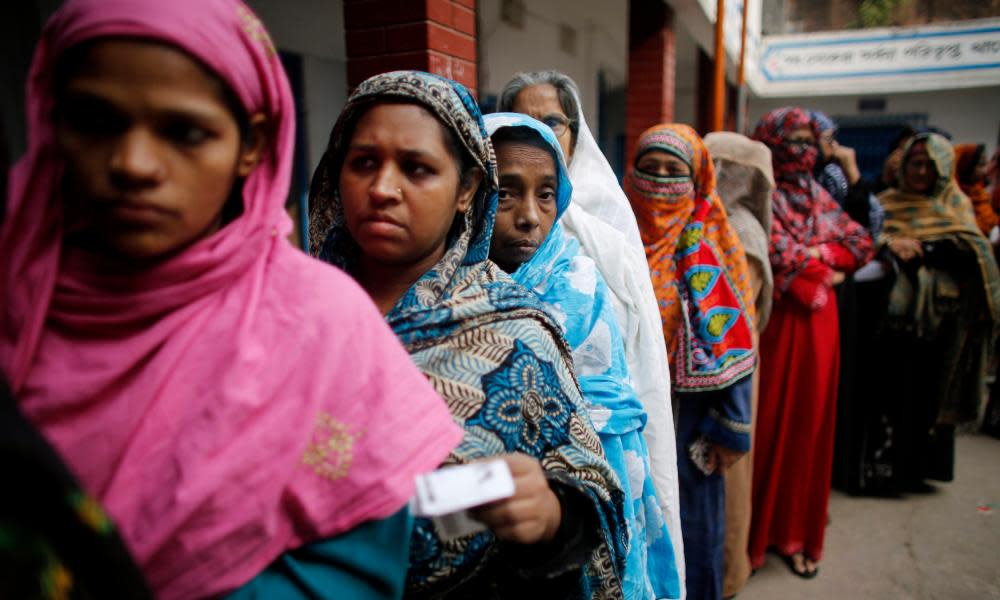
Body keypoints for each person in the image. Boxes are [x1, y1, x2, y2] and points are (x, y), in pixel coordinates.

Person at [0, 2, 465, 598]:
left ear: (252, 145)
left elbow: (358, 569)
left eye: (185, 132)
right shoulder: (13, 295)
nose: (133, 165)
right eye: (94, 122)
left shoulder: (320, 322)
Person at [308, 71, 628, 599]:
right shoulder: (286, 317)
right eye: (363, 162)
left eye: (416, 168)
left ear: (467, 189)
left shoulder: (517, 331)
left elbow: (593, 494)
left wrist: (551, 517)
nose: (383, 188)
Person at [498, 72, 685, 589]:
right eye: (506, 192)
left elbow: (633, 358)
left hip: (601, 468)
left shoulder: (599, 242)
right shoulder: (459, 274)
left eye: (551, 120)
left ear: (575, 133)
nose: (529, 216)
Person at [626, 124, 756, 600]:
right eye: (650, 169)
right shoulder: (614, 238)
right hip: (628, 420)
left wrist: (730, 427)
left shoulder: (710, 249)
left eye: (673, 172)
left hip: (690, 427)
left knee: (694, 537)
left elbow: (737, 347)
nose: (660, 182)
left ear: (697, 180)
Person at [748, 107, 873, 579]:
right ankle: (754, 536)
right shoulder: (760, 192)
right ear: (771, 141)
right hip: (777, 326)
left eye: (808, 140)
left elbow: (861, 242)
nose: (800, 149)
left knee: (809, 430)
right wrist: (825, 265)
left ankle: (797, 535)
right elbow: (772, 252)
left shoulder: (819, 195)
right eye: (791, 139)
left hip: (820, 325)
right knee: (768, 428)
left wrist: (816, 257)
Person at [877, 133, 1000, 488]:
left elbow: (973, 255)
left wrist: (927, 251)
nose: (919, 173)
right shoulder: (886, 204)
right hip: (896, 320)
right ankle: (889, 470)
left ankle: (922, 470)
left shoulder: (955, 206)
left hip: (940, 319)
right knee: (894, 395)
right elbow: (865, 240)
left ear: (943, 170)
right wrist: (889, 246)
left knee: (931, 394)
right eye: (914, 164)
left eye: (928, 166)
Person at [702, 132, 774, 599]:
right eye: (716, 167)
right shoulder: (706, 219)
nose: (723, 180)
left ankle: (728, 576)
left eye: (733, 171)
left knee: (727, 475)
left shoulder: (742, 230)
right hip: (703, 364)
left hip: (729, 367)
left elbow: (730, 318)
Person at [954, 143, 999, 240]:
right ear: (966, 166)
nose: (985, 170)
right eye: (980, 165)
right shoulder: (955, 197)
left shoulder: (980, 193)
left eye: (985, 164)